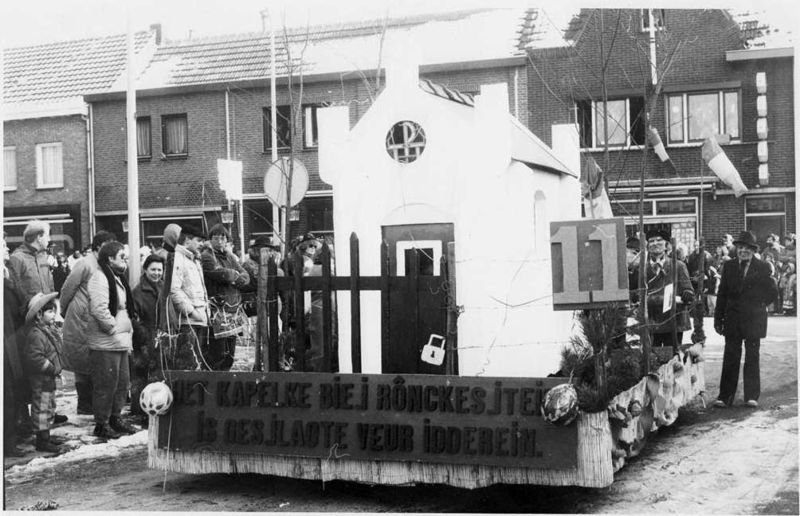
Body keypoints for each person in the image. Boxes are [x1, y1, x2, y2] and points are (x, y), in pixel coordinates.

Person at [713, 231, 778, 408]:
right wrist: (718, 318)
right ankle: (725, 396)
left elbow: (772, 291)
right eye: (740, 248)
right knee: (731, 356)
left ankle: (751, 396)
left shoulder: (763, 267)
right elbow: (722, 294)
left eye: (747, 248)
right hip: (733, 318)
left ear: (753, 250)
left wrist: (759, 304)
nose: (743, 251)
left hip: (754, 319)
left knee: (752, 357)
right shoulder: (729, 266)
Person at [61, 230, 116, 416]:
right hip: (81, 318)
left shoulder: (103, 263)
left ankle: (90, 401)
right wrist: (65, 311)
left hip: (93, 317)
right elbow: (68, 288)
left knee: (93, 359)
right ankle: (84, 402)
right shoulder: (85, 264)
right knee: (81, 360)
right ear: (98, 246)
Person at [86, 241, 138, 438]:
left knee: (122, 383)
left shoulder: (116, 277)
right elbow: (99, 309)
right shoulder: (100, 278)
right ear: (110, 258)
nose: (125, 260)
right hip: (106, 342)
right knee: (106, 385)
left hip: (120, 341)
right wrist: (113, 329)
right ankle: (102, 423)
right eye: (121, 257)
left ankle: (115, 418)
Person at [631, 229, 694, 350]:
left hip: (673, 320)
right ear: (647, 246)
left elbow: (688, 290)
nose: (655, 243)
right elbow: (635, 294)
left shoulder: (678, 266)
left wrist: (687, 294)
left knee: (673, 355)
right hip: (651, 320)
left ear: (666, 245)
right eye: (651, 241)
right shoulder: (640, 268)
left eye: (659, 240)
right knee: (651, 355)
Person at [201, 224, 249, 371]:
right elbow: (223, 274)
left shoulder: (229, 256)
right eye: (216, 238)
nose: (220, 241)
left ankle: (225, 379)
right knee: (218, 353)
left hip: (232, 311)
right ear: (210, 239)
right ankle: (215, 380)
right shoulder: (207, 256)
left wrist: (233, 276)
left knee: (231, 354)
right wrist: (233, 276)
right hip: (218, 310)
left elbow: (246, 277)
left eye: (223, 238)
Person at [21, 292, 63, 453]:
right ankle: (42, 440)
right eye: (50, 311)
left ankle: (46, 436)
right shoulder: (36, 334)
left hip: (48, 378)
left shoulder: (46, 331)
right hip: (42, 378)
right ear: (39, 315)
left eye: (54, 311)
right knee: (42, 407)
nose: (53, 315)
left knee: (49, 405)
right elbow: (35, 357)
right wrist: (51, 369)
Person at [167, 225, 210, 370]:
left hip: (198, 319)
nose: (201, 244)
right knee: (189, 364)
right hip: (188, 321)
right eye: (198, 240)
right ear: (187, 240)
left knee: (197, 363)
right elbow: (174, 289)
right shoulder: (178, 259)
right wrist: (191, 312)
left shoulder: (194, 259)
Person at [131, 254, 165, 427]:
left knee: (157, 375)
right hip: (145, 338)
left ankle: (156, 406)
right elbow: (133, 317)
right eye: (153, 269)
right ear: (145, 270)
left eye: (159, 270)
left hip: (160, 336)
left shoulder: (163, 286)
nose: (156, 273)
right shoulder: (138, 292)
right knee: (142, 375)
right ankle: (141, 411)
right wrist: (143, 335)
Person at [4, 236, 27, 457]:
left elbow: (20, 303)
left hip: (10, 339)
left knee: (11, 393)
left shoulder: (8, 273)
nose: (6, 249)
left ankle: (10, 441)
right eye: (2, 245)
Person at [7, 220, 54, 307]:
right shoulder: (17, 258)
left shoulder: (43, 257)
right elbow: (14, 290)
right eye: (47, 235)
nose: (49, 239)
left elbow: (50, 284)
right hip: (28, 312)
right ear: (39, 237)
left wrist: (52, 304)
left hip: (46, 310)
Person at [686, 242, 715, 344]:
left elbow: (710, 272)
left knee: (700, 308)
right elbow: (689, 271)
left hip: (703, 285)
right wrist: (692, 279)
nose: (696, 247)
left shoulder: (707, 256)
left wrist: (707, 284)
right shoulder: (691, 257)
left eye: (698, 245)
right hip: (694, 285)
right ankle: (697, 330)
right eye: (695, 245)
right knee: (695, 308)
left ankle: (700, 331)